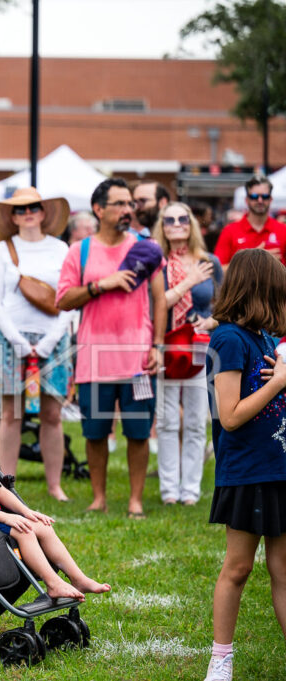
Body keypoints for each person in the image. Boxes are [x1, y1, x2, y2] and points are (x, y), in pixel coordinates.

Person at [57, 178, 167, 518]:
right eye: (119, 204)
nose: (127, 210)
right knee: (95, 433)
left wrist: (157, 345)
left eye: (130, 204)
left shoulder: (146, 248)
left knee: (138, 432)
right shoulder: (80, 251)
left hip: (137, 359)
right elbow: (63, 300)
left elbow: (161, 299)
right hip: (93, 359)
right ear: (99, 209)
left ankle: (135, 500)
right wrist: (100, 285)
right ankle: (98, 498)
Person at [0, 390, 110, 601]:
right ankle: (53, 583)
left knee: (43, 527)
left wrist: (26, 511)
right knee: (25, 532)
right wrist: (7, 518)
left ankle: (78, 578)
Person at [203, 248, 286, 681]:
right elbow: (231, 415)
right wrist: (280, 382)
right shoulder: (229, 339)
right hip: (247, 471)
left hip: (279, 467)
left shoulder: (267, 339)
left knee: (283, 570)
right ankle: (221, 659)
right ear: (261, 289)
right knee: (238, 567)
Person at [0, 187, 74, 502]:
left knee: (52, 413)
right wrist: (18, 341)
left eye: (33, 207)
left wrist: (50, 340)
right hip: (11, 339)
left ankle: (55, 485)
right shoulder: (2, 249)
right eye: (20, 209)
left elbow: (69, 298)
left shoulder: (60, 248)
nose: (27, 214)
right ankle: (7, 485)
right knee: (11, 414)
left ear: (44, 211)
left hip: (54, 338)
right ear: (12, 216)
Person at [153, 202, 222, 506]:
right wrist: (189, 281)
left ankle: (190, 490)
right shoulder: (157, 263)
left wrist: (211, 321)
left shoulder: (209, 261)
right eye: (169, 220)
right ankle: (169, 489)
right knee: (167, 421)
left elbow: (225, 306)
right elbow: (158, 303)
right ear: (162, 226)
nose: (177, 224)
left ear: (191, 223)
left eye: (183, 218)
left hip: (199, 346)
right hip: (167, 344)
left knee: (195, 421)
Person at [214, 175, 286, 267]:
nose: (260, 200)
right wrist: (253, 259)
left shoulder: (283, 230)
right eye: (254, 196)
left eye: (265, 196)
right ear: (247, 200)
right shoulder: (229, 231)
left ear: (270, 199)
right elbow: (218, 270)